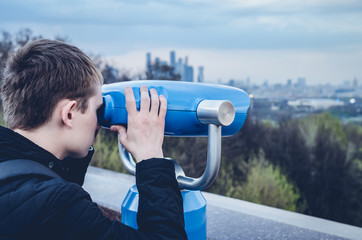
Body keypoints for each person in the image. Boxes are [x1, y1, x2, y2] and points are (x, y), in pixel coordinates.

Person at [0, 39, 187, 240]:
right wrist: (151, 157)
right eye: (97, 110)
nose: (99, 123)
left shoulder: (18, 176)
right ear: (69, 114)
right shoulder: (58, 204)